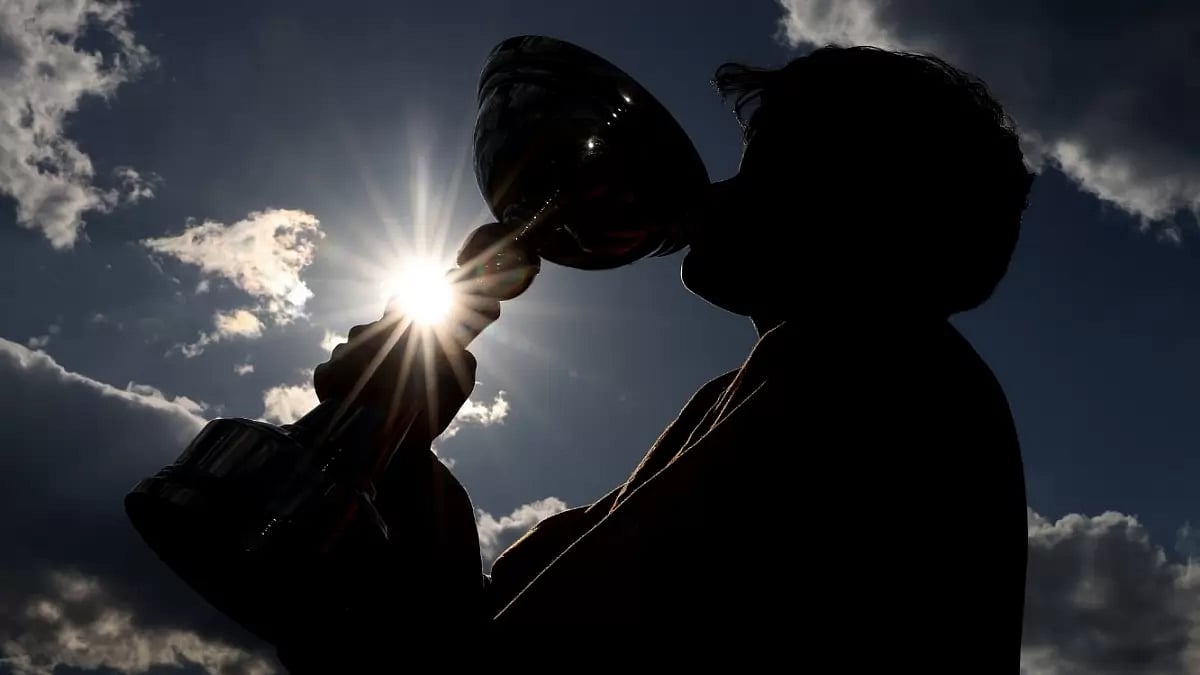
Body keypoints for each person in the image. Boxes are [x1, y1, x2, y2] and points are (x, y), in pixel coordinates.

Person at [275, 45, 1035, 670]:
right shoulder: (787, 386)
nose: (714, 195)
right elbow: (489, 616)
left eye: (763, 168)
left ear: (864, 209)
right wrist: (401, 451)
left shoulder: (867, 373)